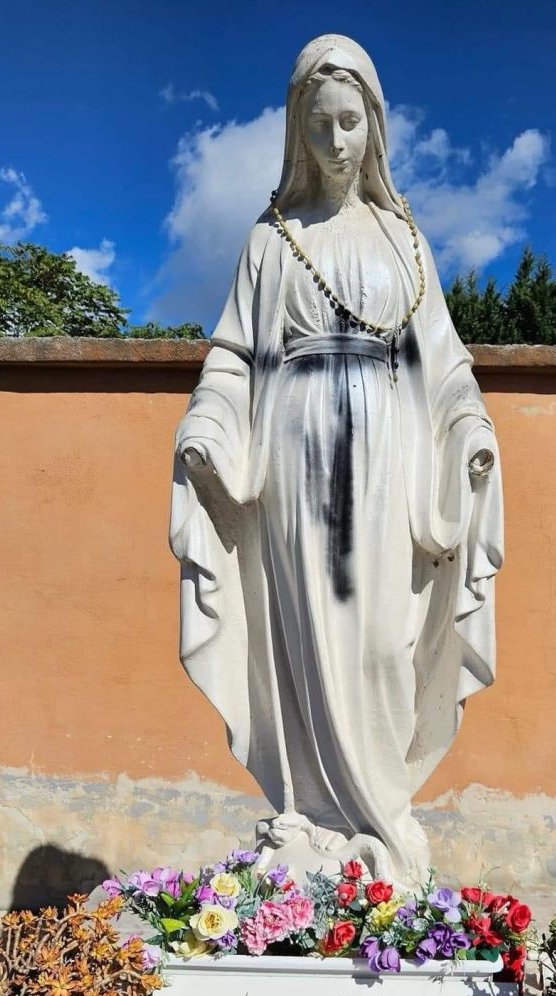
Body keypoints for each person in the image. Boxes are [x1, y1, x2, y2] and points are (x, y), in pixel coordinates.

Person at [169, 34, 503, 886]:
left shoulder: (406, 240)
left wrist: (468, 429)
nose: (337, 141)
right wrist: (210, 423)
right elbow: (233, 358)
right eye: (320, 125)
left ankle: (382, 821)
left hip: (388, 456)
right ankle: (312, 822)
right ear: (297, 130)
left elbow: (445, 363)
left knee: (385, 641)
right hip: (293, 452)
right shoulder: (270, 240)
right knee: (305, 641)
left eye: (350, 122)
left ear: (376, 125)